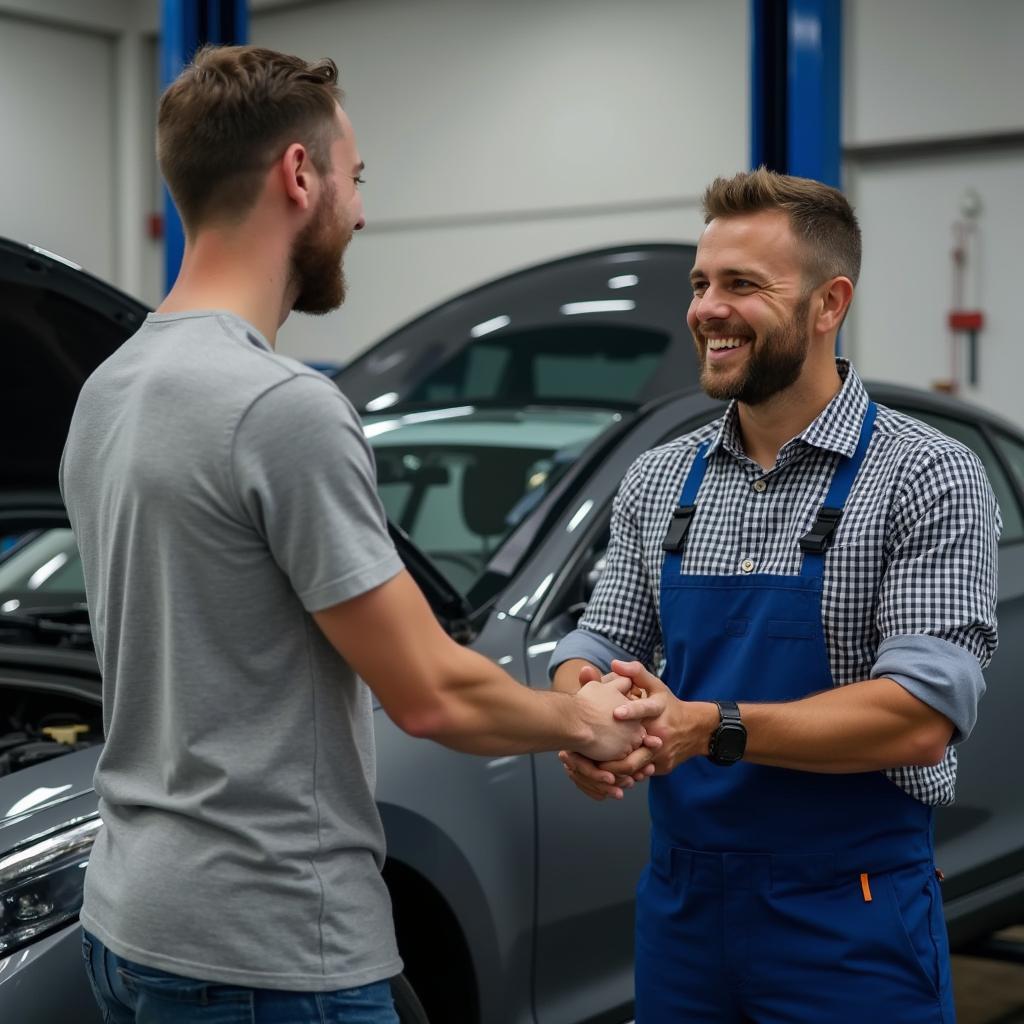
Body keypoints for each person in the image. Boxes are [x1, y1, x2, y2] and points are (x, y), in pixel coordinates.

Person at [60, 45, 654, 1024]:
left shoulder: (107, 389)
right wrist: (587, 722)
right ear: (300, 175)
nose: (363, 210)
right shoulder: (279, 405)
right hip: (271, 947)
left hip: (130, 925)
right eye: (357, 175)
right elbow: (428, 693)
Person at [552, 168, 1000, 1023]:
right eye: (700, 284)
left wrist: (708, 727)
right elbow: (593, 642)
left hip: (849, 917)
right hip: (682, 916)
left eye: (742, 285)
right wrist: (588, 714)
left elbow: (920, 713)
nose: (706, 309)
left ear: (829, 303)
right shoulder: (659, 480)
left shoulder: (926, 475)